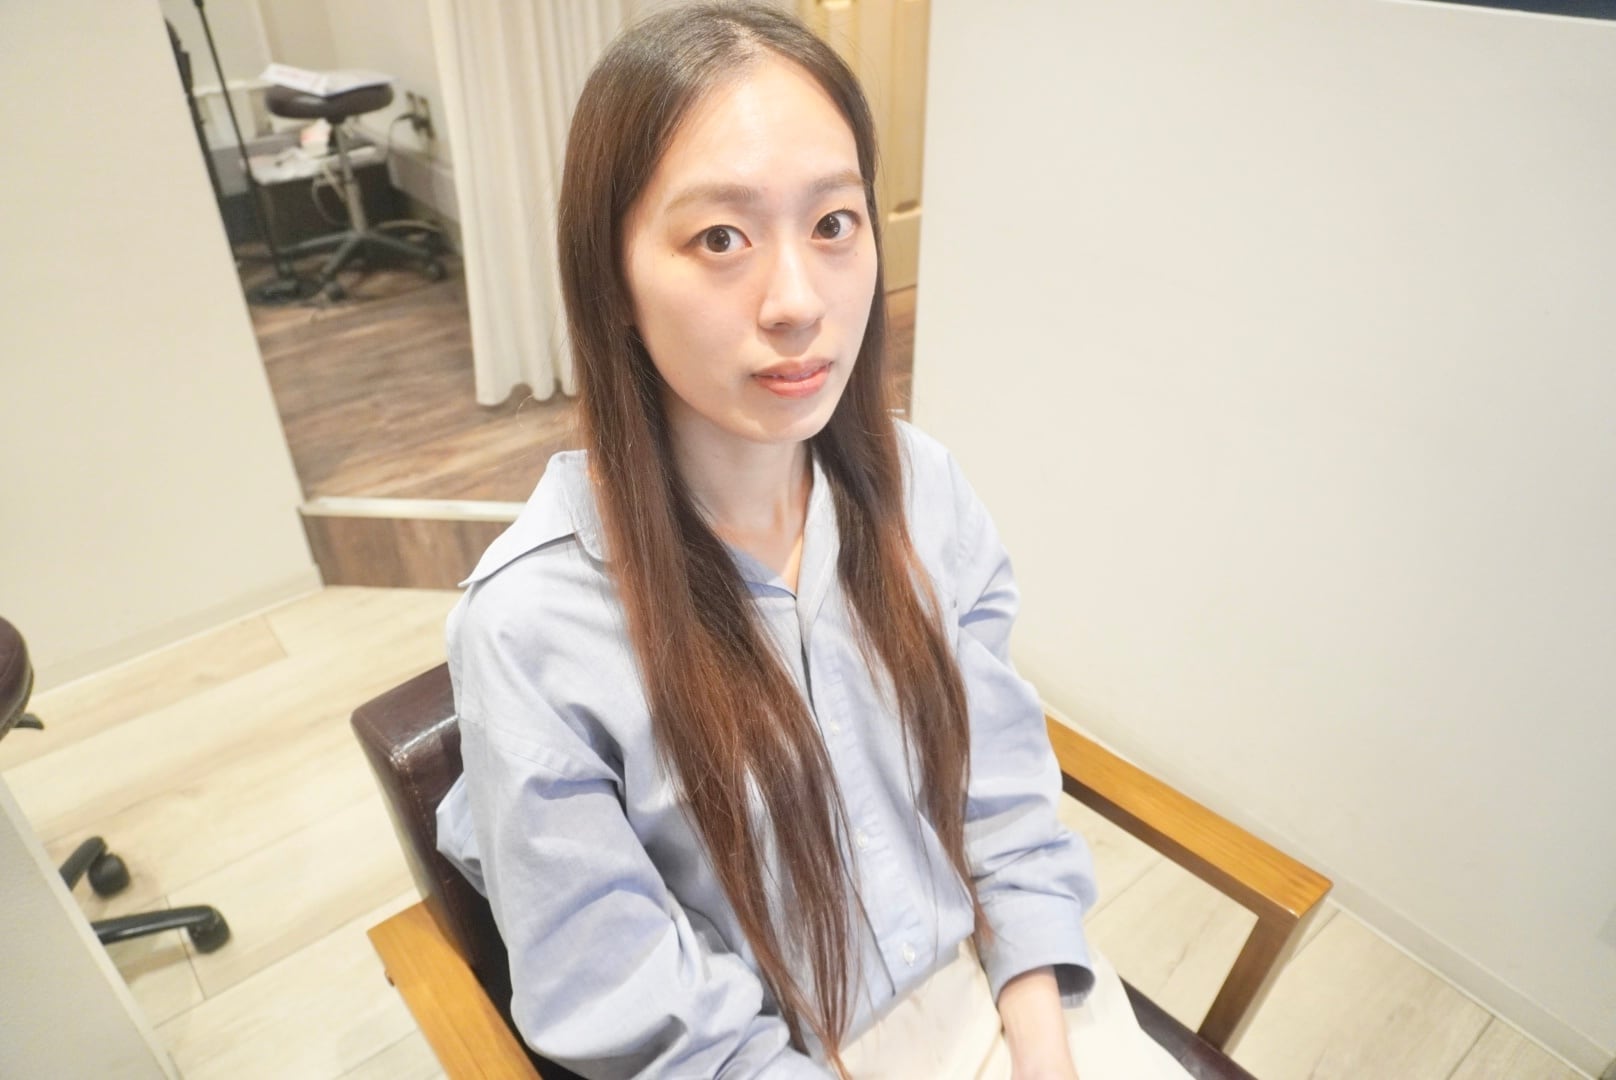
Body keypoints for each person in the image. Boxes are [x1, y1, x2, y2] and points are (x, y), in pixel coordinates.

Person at [436, 4, 1193, 1077]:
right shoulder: (532, 629)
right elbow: (641, 1010)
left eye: (834, 223)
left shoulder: (921, 489)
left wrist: (1043, 1045)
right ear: (610, 278)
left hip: (1013, 992)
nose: (798, 303)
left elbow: (999, 797)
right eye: (720, 238)